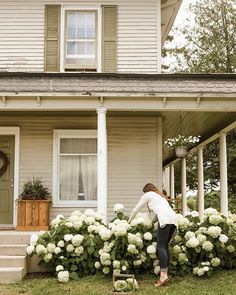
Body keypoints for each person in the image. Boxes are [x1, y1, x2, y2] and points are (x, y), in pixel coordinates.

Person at [128, 183, 178, 287]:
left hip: (165, 219)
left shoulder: (148, 194)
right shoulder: (160, 197)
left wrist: (128, 221)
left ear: (146, 190)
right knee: (165, 247)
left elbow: (136, 209)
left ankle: (163, 276)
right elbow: (158, 215)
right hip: (173, 220)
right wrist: (151, 222)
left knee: (160, 247)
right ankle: (166, 274)